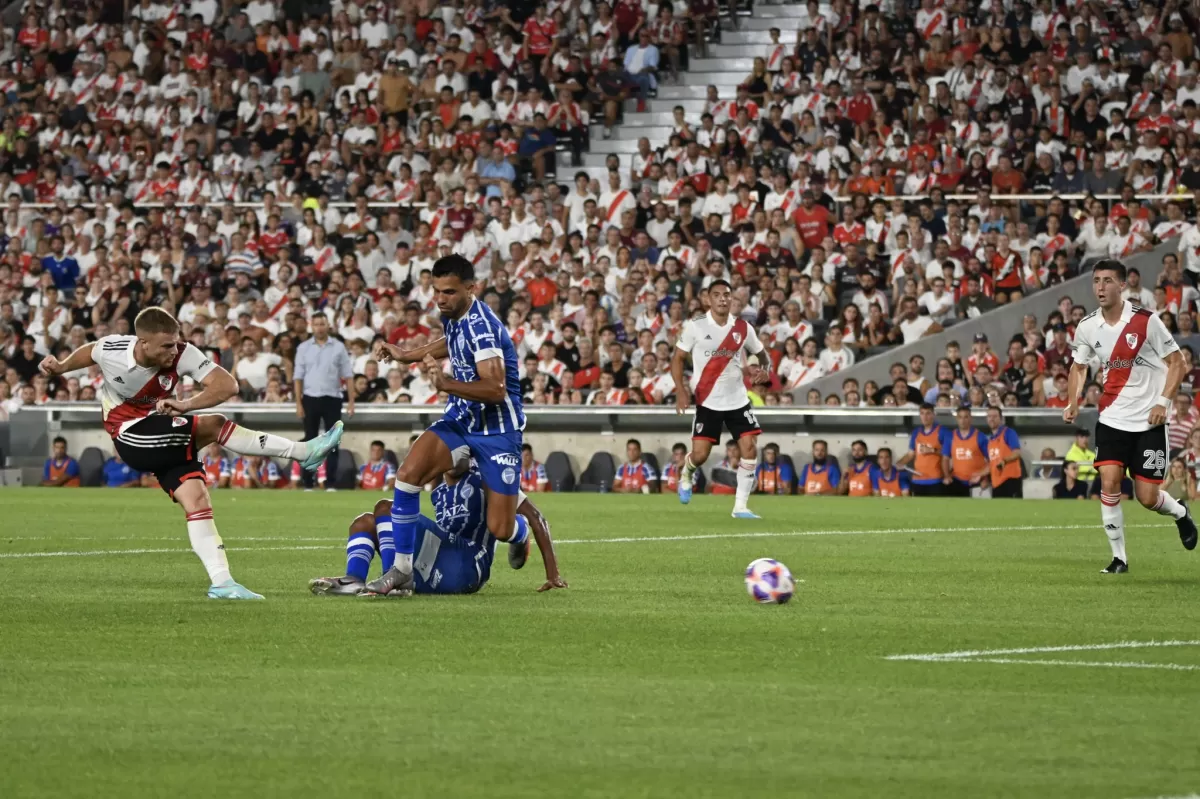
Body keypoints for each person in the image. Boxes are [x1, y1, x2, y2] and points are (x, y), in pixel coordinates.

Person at [37, 307, 344, 599]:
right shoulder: (113, 349)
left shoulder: (182, 352)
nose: (174, 350)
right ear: (142, 343)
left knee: (196, 499)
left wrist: (185, 404)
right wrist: (62, 368)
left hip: (160, 429)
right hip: (130, 435)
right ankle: (303, 452)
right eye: (167, 345)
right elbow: (91, 350)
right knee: (213, 425)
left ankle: (222, 583)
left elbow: (228, 385)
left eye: (176, 342)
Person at [369, 255, 564, 596]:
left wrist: (446, 385)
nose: (440, 299)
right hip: (461, 418)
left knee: (500, 528)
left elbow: (495, 388)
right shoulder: (454, 316)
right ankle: (401, 569)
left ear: (471, 289)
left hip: (498, 432)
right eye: (436, 291)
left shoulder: (483, 328)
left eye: (448, 292)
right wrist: (406, 354)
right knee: (408, 474)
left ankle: (519, 533)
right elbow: (450, 343)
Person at [1064, 259, 1197, 573]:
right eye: (1097, 280)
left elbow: (1178, 363)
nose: (1101, 286)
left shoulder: (1146, 321)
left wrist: (1163, 402)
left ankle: (1181, 513)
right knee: (1109, 482)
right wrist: (1073, 401)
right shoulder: (1087, 326)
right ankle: (1119, 558)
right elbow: (1079, 367)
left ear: (1122, 285)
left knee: (1147, 497)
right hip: (1111, 418)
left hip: (1149, 422)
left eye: (1108, 280)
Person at [309, 457, 565, 596]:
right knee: (363, 522)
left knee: (387, 508)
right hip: (444, 557)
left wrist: (552, 575)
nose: (455, 454)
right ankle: (354, 579)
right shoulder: (438, 493)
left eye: (462, 449)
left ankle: (393, 579)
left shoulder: (485, 479)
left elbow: (537, 516)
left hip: (470, 563)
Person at [672, 279, 770, 518]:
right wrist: (681, 390)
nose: (723, 299)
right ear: (708, 298)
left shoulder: (743, 328)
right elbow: (677, 359)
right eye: (717, 295)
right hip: (708, 401)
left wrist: (764, 367)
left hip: (737, 399)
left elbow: (761, 352)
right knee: (700, 455)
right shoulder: (695, 326)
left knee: (750, 447)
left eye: (727, 294)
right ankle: (687, 470)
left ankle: (740, 507)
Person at [294, 314, 354, 491]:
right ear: (312, 326)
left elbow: (348, 376)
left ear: (328, 325)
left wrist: (351, 401)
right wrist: (298, 403)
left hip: (333, 398)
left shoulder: (338, 347)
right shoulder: (304, 348)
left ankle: (331, 483)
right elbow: (298, 377)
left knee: (333, 442)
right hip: (310, 398)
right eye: (317, 324)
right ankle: (308, 482)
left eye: (323, 324)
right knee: (310, 441)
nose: (320, 327)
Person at [897, 403, 952, 496]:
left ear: (933, 415)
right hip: (918, 479)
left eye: (928, 413)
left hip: (935, 479)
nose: (925, 417)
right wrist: (900, 462)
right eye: (922, 413)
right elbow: (911, 454)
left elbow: (949, 454)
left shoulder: (942, 431)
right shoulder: (916, 432)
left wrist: (932, 450)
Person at [946, 407, 989, 497]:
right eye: (960, 417)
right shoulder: (951, 436)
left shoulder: (980, 437)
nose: (963, 420)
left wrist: (985, 478)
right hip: (957, 481)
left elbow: (991, 460)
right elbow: (944, 458)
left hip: (977, 482)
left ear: (971, 418)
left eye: (966, 417)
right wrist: (947, 475)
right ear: (957, 419)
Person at [986, 407, 1024, 499]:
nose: (992, 419)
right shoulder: (990, 440)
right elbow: (992, 464)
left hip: (1010, 480)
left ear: (1001, 419)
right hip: (996, 483)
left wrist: (1004, 460)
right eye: (989, 416)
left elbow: (1017, 452)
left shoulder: (1008, 433)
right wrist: (980, 475)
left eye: (995, 416)